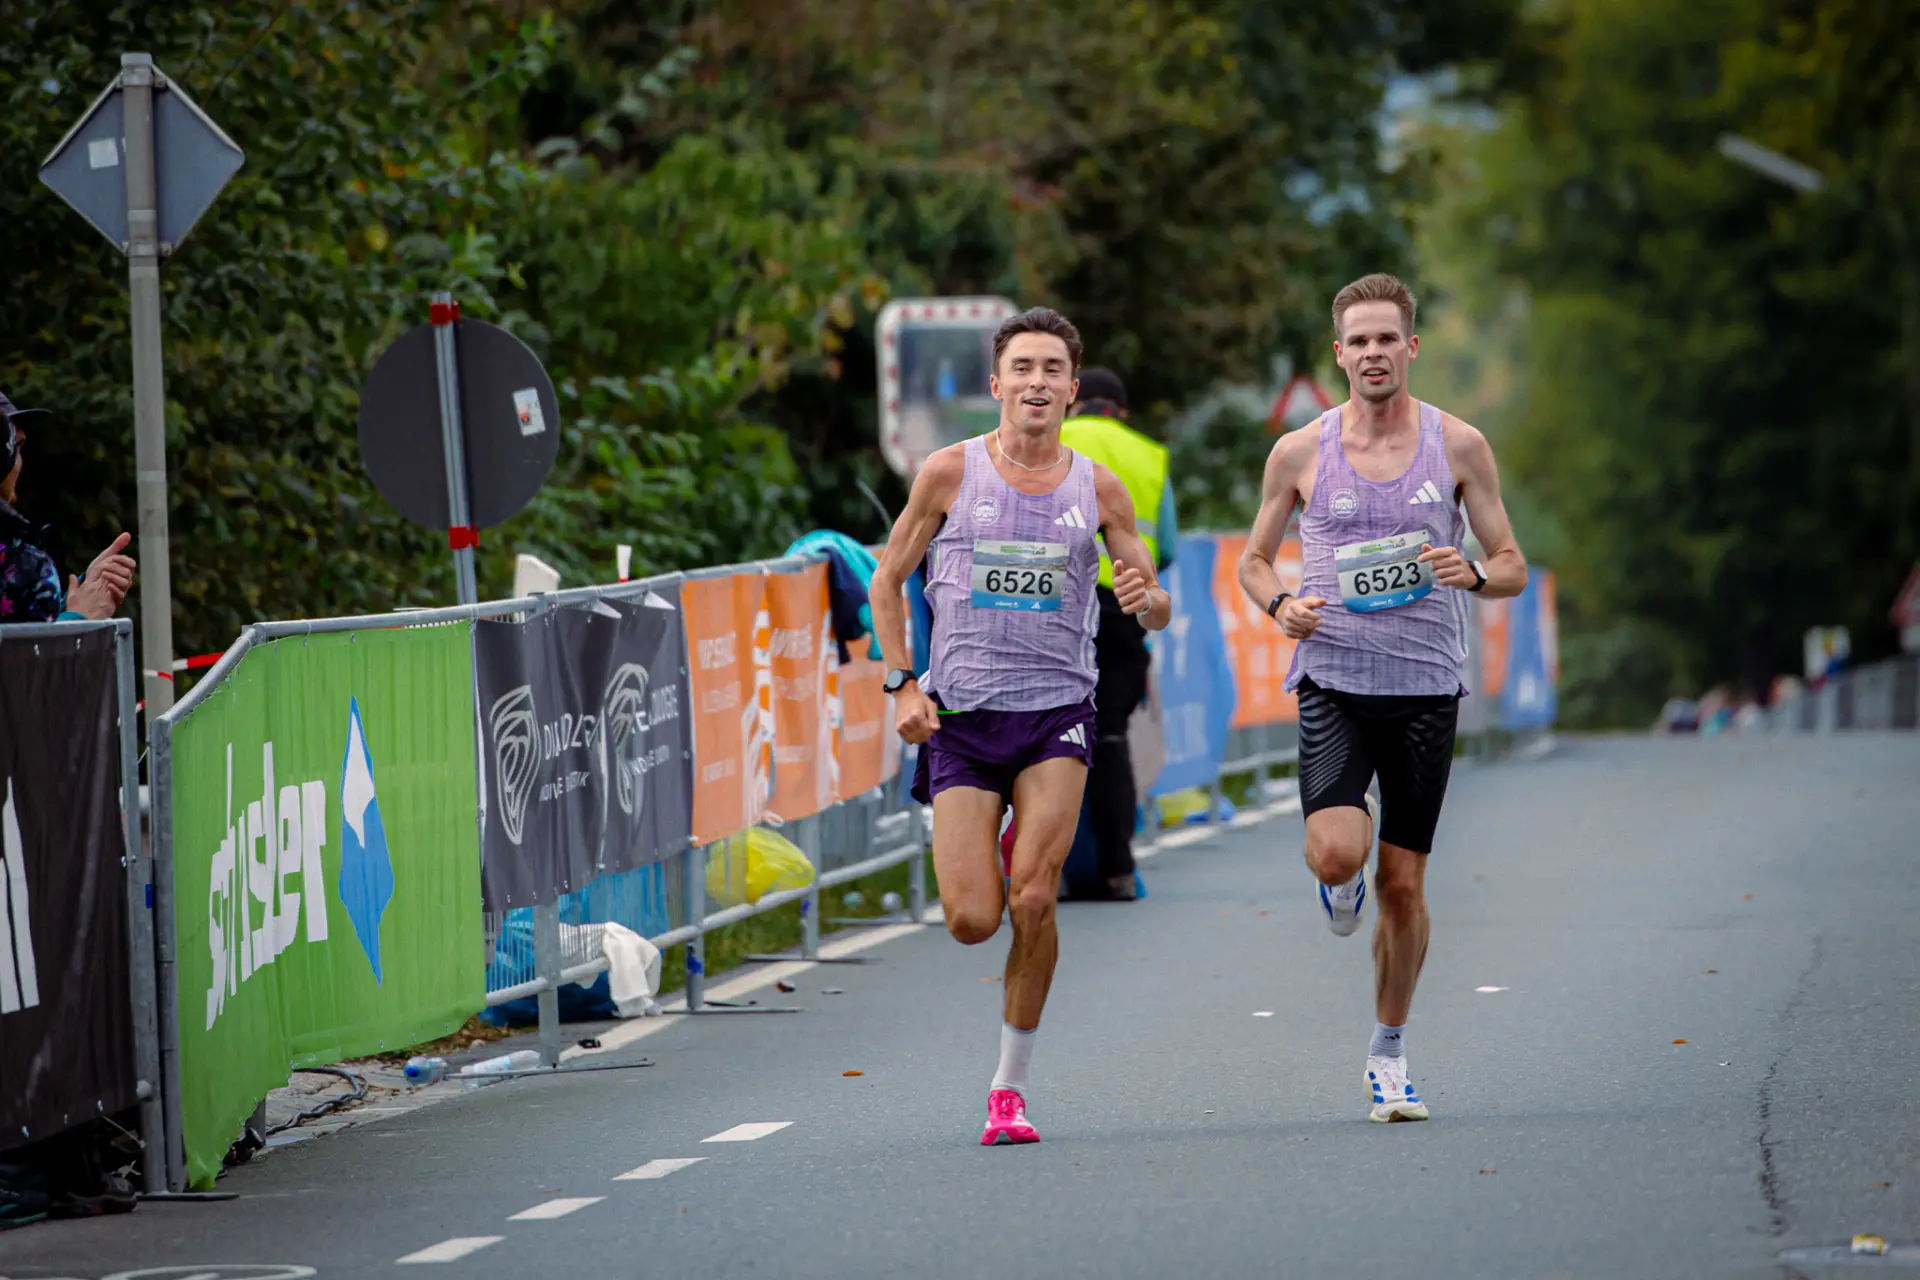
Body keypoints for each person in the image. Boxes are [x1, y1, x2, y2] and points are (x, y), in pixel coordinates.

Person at [868, 308, 1171, 1146]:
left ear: (1073, 391)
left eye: (1052, 370)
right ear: (997, 385)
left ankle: (1010, 1090)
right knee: (971, 919)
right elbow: (887, 583)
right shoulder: (948, 474)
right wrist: (900, 685)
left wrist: (1149, 601)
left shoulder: (1098, 486)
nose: (1037, 382)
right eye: (1022, 368)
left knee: (1035, 897)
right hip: (963, 718)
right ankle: (1003, 850)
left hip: (1057, 715)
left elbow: (1153, 594)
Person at [1237, 274, 1526, 1123]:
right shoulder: (1299, 452)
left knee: (1405, 885)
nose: (1372, 353)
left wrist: (1471, 572)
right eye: (1357, 341)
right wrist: (1282, 605)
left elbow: (1510, 562)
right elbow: (1254, 561)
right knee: (1336, 853)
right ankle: (1338, 884)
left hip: (1428, 687)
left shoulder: (1460, 445)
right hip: (1334, 678)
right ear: (1339, 355)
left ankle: (1389, 1056)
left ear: (1411, 347)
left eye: (1385, 339)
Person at [1057, 368, 1176, 900]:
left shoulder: (1049, 439)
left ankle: (1048, 871)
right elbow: (1165, 548)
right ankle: (1118, 871)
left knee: (1045, 737)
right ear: (1121, 412)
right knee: (1107, 738)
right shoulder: (1149, 456)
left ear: (1074, 402)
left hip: (1052, 606)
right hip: (1122, 605)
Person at [0, 390, 136, 623]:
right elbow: (29, 657)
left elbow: (18, 634)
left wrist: (74, 602)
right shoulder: (22, 564)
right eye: (13, 444)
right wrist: (77, 620)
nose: (17, 460)